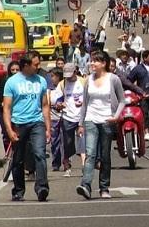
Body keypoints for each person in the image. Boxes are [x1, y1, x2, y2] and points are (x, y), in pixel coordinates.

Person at [75, 51, 125, 200]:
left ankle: (104, 187)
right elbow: (85, 103)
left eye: (95, 61)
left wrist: (115, 117)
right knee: (90, 153)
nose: (92, 64)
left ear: (103, 63)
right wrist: (81, 123)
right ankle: (86, 185)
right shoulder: (88, 80)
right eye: (91, 61)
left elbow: (122, 100)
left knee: (104, 155)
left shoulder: (113, 79)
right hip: (91, 119)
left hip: (107, 121)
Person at [1, 51, 50, 202]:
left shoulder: (41, 81)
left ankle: (42, 187)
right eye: (35, 64)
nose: (38, 67)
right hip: (18, 123)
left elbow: (45, 105)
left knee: (40, 154)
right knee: (18, 159)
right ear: (26, 66)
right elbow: (7, 108)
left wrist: (48, 128)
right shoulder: (12, 82)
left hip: (37, 123)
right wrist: (9, 130)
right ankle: (18, 191)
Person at [58, 63, 86, 177]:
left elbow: (89, 97)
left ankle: (84, 166)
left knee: (83, 142)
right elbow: (56, 98)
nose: (68, 77)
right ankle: (67, 166)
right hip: (67, 117)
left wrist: (83, 103)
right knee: (67, 143)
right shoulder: (62, 83)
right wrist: (59, 104)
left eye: (70, 74)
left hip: (82, 116)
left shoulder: (84, 82)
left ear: (75, 72)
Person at [0, 61, 21, 151]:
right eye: (13, 70)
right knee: (6, 133)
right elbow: (0, 98)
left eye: (17, 70)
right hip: (6, 110)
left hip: (19, 111)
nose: (15, 72)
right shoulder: (5, 81)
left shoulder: (23, 82)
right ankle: (8, 152)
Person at [48, 68, 65, 172]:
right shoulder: (49, 90)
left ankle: (66, 162)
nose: (51, 79)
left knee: (65, 142)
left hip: (64, 118)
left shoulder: (64, 88)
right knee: (54, 142)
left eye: (53, 76)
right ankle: (56, 162)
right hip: (53, 119)